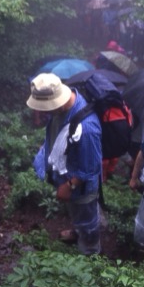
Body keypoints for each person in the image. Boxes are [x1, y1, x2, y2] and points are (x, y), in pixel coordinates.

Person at [27, 73, 103, 255]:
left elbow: (91, 167)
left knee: (86, 215)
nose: (45, 113)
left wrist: (69, 185)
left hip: (80, 187)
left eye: (46, 109)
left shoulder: (87, 129)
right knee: (77, 211)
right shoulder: (63, 109)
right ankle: (79, 231)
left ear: (57, 103)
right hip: (68, 174)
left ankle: (91, 250)